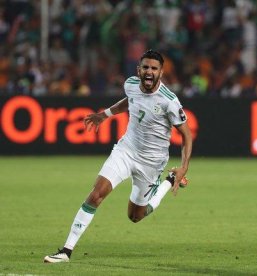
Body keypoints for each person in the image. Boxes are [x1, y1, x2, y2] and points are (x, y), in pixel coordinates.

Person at [44, 50, 193, 263]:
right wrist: (103, 115)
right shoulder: (131, 84)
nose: (149, 72)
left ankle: (167, 183)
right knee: (96, 195)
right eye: (146, 67)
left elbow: (186, 135)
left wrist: (183, 167)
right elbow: (129, 101)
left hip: (151, 163)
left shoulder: (169, 101)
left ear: (161, 72)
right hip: (126, 151)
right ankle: (66, 251)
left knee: (135, 216)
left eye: (154, 68)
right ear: (138, 70)